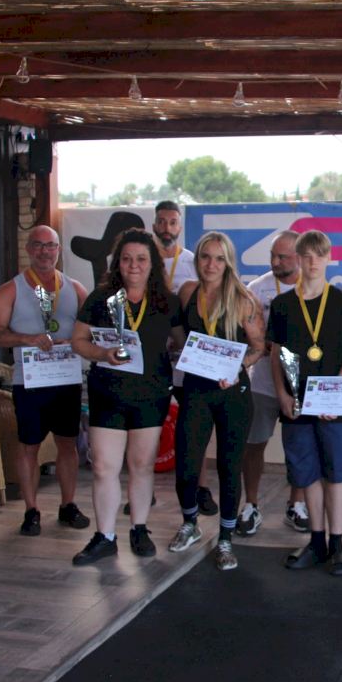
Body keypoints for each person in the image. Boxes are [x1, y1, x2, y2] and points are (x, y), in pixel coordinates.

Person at [69, 228, 184, 565]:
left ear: (152, 264)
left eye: (141, 259)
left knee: (141, 466)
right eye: (127, 259)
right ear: (117, 262)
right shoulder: (99, 298)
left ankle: (139, 529)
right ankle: (105, 536)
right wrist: (102, 354)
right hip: (108, 393)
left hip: (150, 395)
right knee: (104, 467)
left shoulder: (167, 302)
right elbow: (78, 341)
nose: (134, 265)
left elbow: (181, 342)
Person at [0, 225, 91, 536]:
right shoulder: (10, 290)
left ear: (58, 250)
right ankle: (31, 510)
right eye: (39, 245)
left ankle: (68, 505)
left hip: (65, 380)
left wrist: (76, 341)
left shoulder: (75, 288)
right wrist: (27, 338)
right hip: (29, 382)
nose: (45, 252)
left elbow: (93, 331)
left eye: (51, 245)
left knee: (67, 444)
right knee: (29, 446)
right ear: (29, 249)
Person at [269, 230, 342, 575]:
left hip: (332, 406)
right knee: (306, 472)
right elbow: (275, 356)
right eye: (306, 256)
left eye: (318, 256)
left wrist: (334, 397)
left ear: (328, 259)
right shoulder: (282, 305)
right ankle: (317, 540)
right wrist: (282, 394)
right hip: (296, 404)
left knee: (335, 474)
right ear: (297, 258)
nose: (312, 262)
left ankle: (337, 544)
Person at [169, 232, 265, 570]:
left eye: (219, 258)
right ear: (197, 259)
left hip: (232, 393)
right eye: (205, 257)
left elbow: (258, 346)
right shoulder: (187, 292)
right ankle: (190, 523)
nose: (211, 264)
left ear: (228, 262)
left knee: (228, 466)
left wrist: (239, 367)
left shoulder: (243, 299)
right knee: (186, 463)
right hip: (196, 389)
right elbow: (181, 334)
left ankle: (225, 538)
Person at [241, 231, 308, 536]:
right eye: (273, 256)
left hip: (300, 383)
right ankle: (251, 504)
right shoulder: (256, 289)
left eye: (283, 256)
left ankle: (297, 504)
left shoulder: (313, 287)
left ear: (299, 257)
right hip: (263, 383)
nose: (276, 262)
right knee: (254, 444)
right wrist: (263, 344)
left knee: (300, 447)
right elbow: (246, 335)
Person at [153, 200, 212, 515]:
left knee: (195, 426)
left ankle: (201, 488)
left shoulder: (192, 261)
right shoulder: (143, 260)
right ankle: (144, 491)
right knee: (148, 426)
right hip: (152, 357)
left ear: (180, 226)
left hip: (186, 358)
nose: (167, 228)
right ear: (154, 225)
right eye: (162, 221)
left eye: (173, 222)